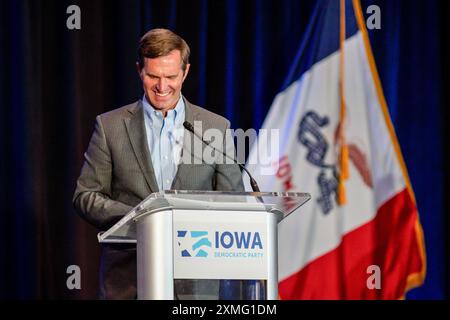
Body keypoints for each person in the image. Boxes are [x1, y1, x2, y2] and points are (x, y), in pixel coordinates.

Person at [73, 28, 244, 299]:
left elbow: (233, 202)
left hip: (195, 285)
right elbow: (86, 196)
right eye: (153, 75)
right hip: (129, 281)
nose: (162, 87)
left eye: (171, 76)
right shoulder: (110, 126)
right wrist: (142, 217)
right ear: (139, 70)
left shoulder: (215, 128)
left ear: (185, 72)